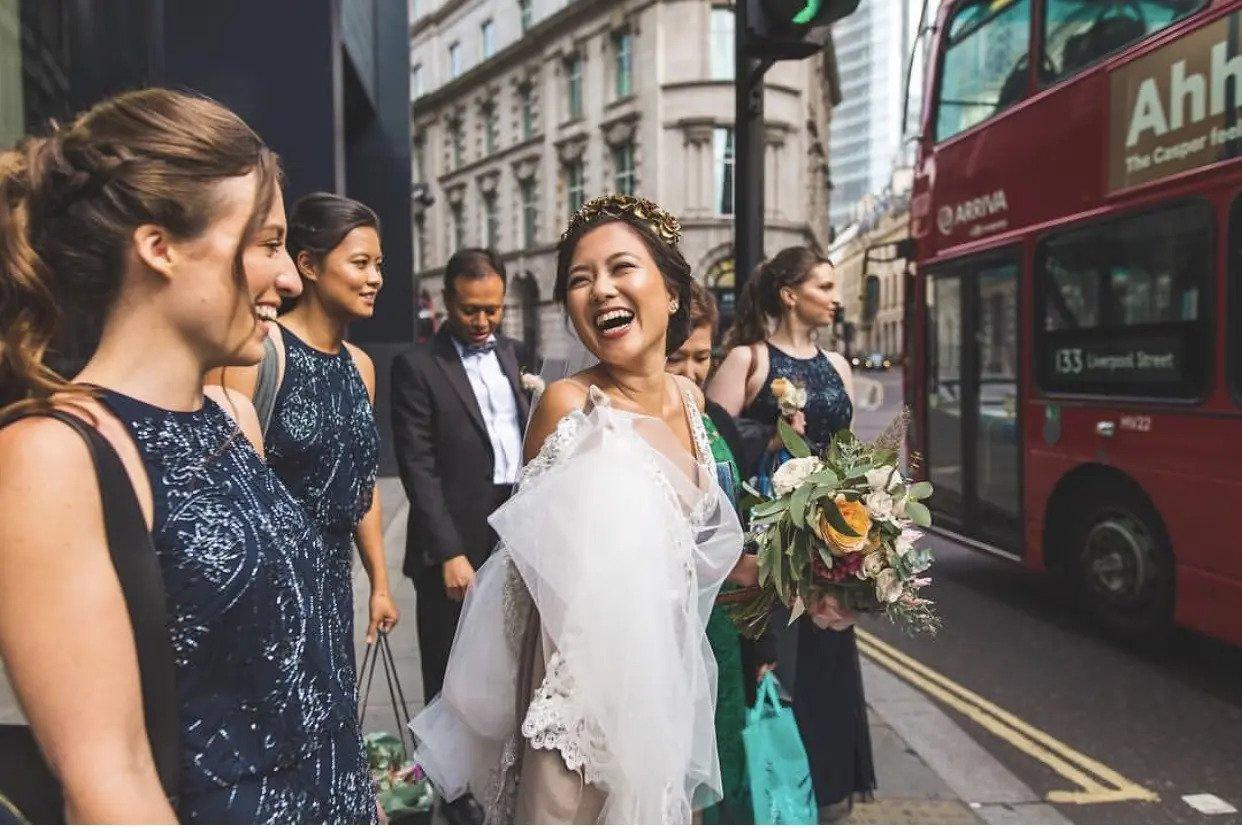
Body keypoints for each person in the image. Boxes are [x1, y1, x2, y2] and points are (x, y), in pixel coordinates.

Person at [0, 89, 374, 823]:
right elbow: (113, 781)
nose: (290, 279)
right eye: (267, 244)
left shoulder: (233, 414)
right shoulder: (51, 457)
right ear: (159, 247)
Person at [410, 194, 758, 824]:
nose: (600, 290)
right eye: (579, 279)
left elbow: (689, 550)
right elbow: (532, 582)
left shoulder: (689, 399)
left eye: (622, 268)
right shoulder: (569, 407)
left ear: (672, 291)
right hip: (580, 716)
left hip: (664, 692)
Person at [707, 246, 874, 822]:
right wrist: (770, 436)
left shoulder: (840, 366)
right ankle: (770, 802)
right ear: (788, 293)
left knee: (828, 675)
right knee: (780, 674)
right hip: (771, 546)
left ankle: (825, 793)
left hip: (830, 546)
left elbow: (847, 457)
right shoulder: (747, 360)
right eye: (824, 286)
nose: (835, 296)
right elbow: (714, 450)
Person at [211, 192, 398, 694]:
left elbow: (362, 480)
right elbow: (227, 494)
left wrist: (378, 582)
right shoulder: (259, 352)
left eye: (379, 265)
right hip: (266, 597)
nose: (375, 278)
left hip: (335, 593)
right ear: (309, 265)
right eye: (360, 263)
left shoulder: (361, 366)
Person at [390, 248, 532, 823]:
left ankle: (497, 771)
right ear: (448, 301)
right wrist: (447, 549)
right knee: (447, 673)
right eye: (471, 310)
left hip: (511, 529)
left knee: (502, 664)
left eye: (492, 310)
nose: (483, 322)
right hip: (452, 543)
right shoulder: (417, 367)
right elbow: (417, 467)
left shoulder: (512, 353)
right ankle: (449, 793)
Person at [665, 282, 752, 824]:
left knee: (720, 760)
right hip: (667, 626)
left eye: (704, 356)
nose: (694, 372)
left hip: (720, 621)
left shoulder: (700, 406)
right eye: (680, 358)